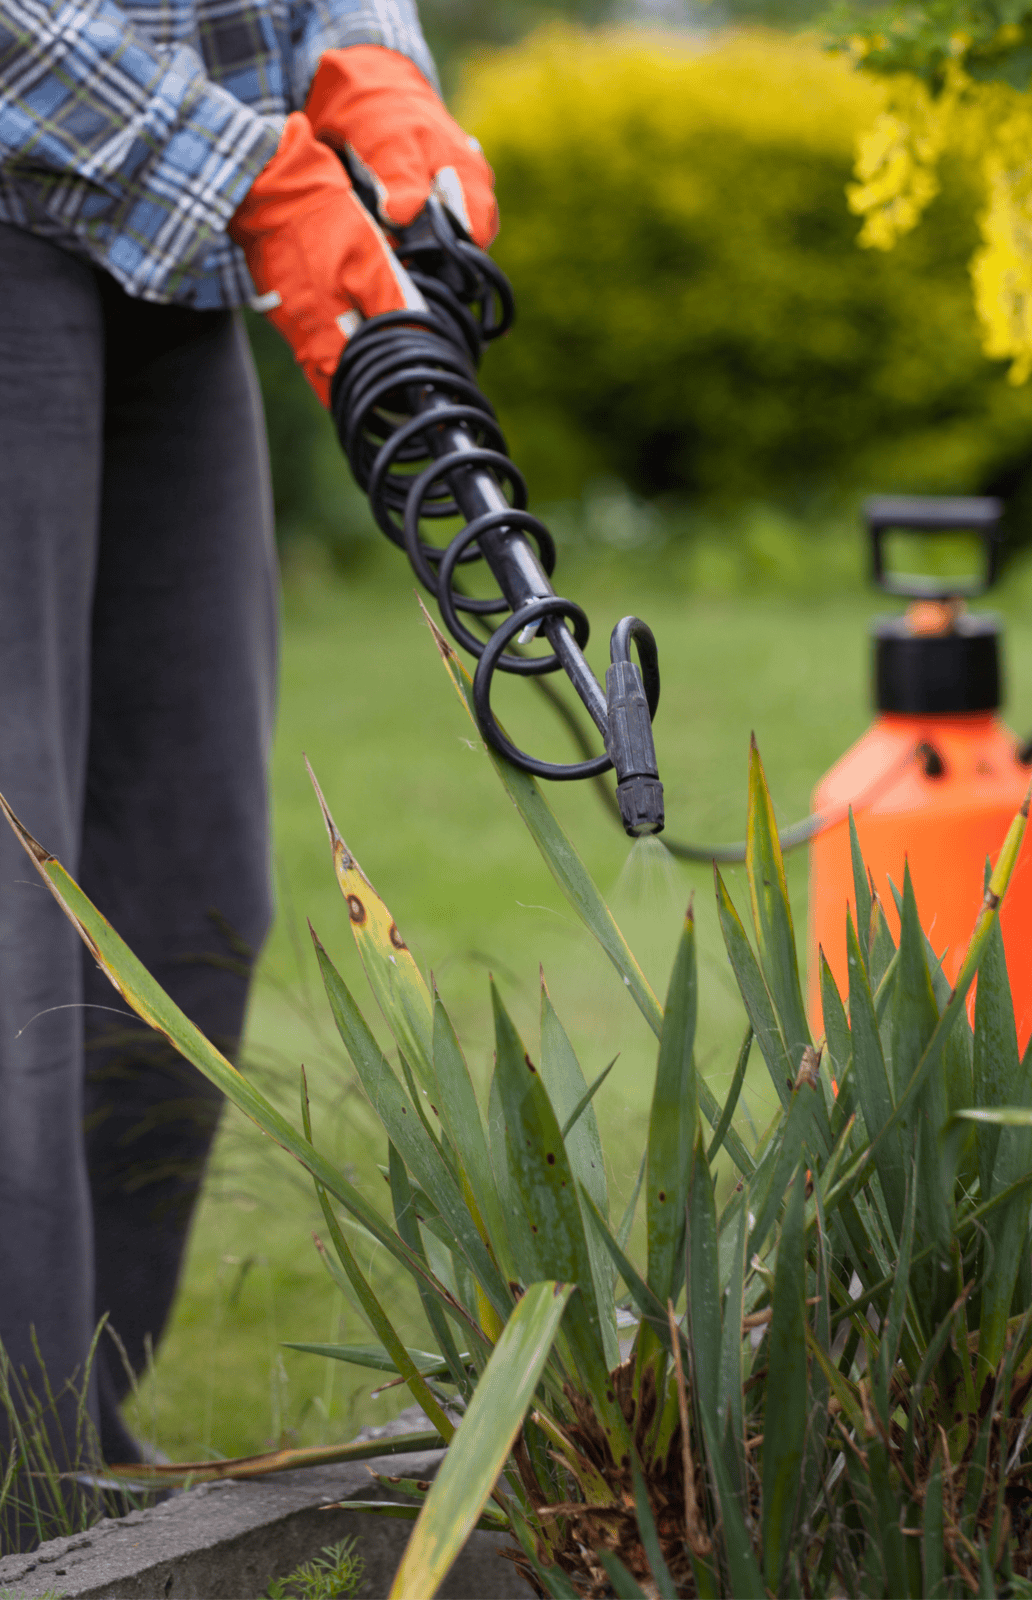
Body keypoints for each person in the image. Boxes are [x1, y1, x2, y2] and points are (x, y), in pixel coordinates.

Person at [0, 0, 496, 1526]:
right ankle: (23, 1481)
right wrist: (243, 171)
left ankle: (77, 1429)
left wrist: (368, 53)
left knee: (185, 889)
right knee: (11, 923)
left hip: (178, 245)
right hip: (62, 190)